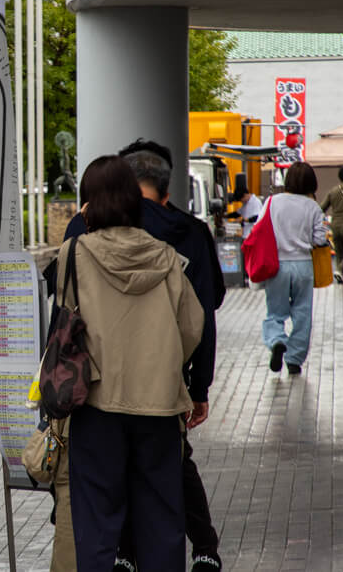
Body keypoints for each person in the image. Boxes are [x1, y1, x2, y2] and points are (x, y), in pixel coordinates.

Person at [59, 140, 226, 571]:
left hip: (95, 405)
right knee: (161, 517)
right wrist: (165, 365)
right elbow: (193, 328)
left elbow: (61, 320)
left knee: (97, 519)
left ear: (88, 204)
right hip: (158, 405)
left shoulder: (74, 253)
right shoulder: (169, 258)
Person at [263, 162, 329, 375]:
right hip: (303, 265)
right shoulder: (313, 207)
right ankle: (294, 359)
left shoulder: (272, 202)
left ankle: (276, 341)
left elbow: (260, 229)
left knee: (275, 312)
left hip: (277, 264)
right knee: (302, 313)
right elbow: (320, 239)